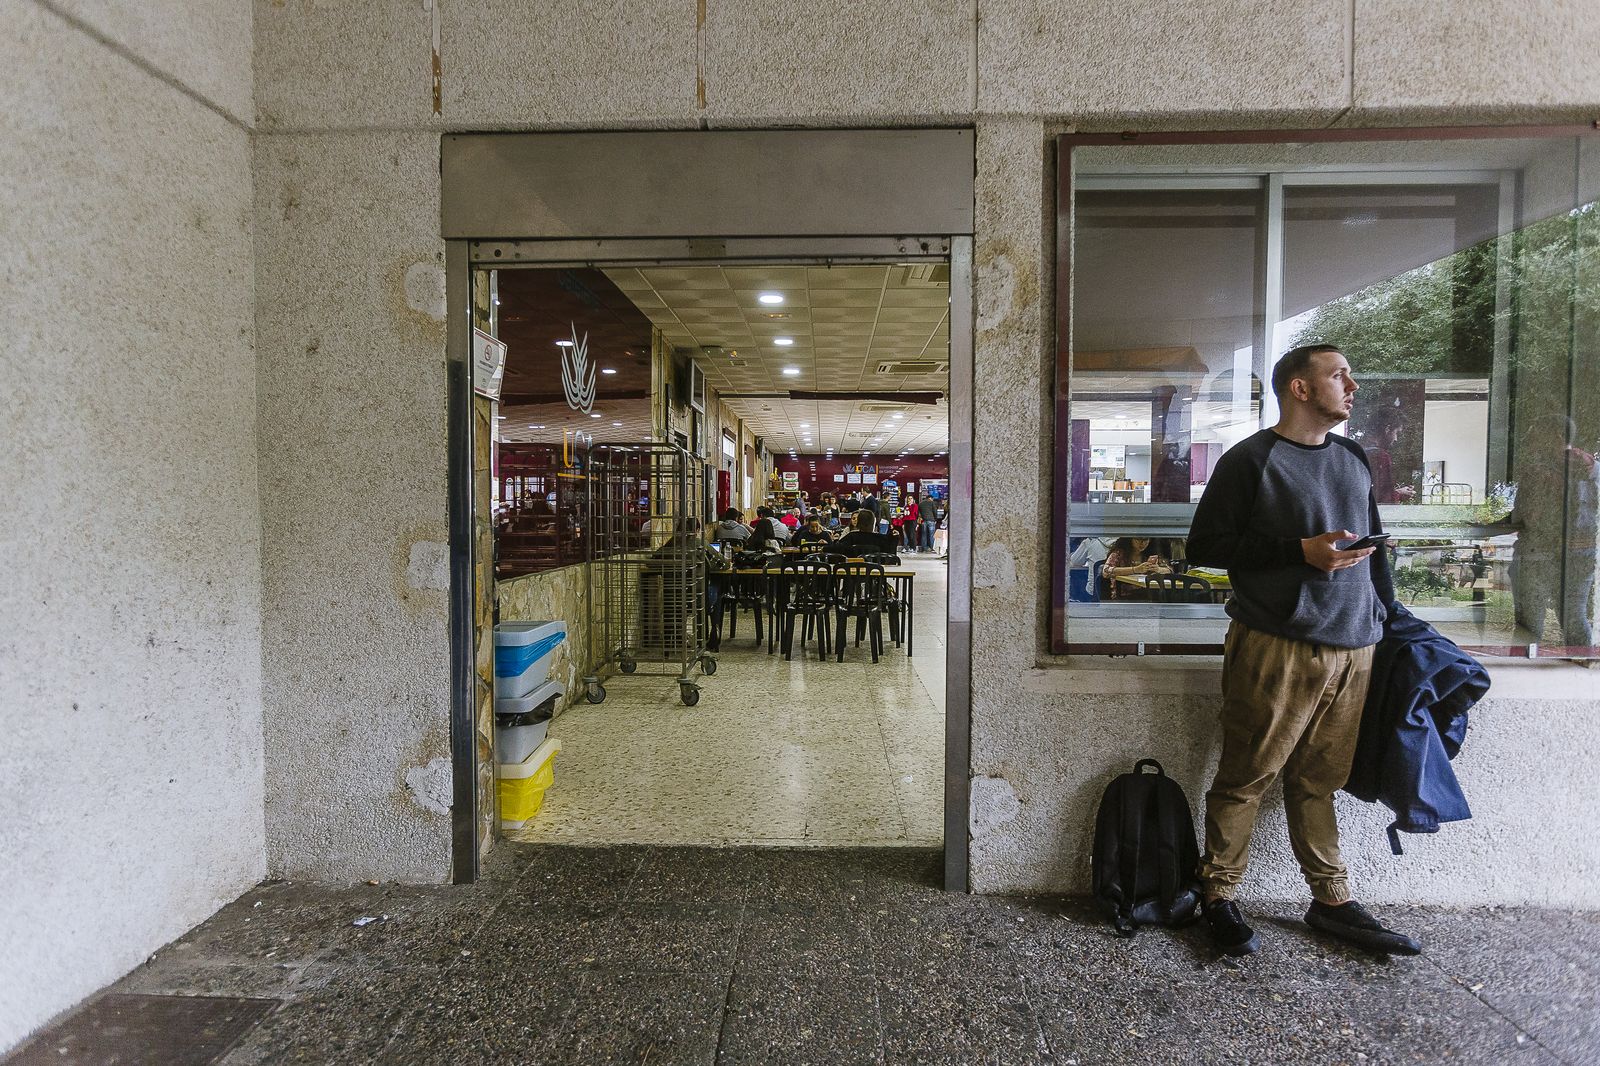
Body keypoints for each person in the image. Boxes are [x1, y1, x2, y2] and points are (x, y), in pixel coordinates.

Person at [1187, 343, 1418, 957]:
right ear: (1300, 389)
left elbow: (1375, 550)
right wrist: (1300, 551)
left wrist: (1389, 618)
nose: (1352, 384)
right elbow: (1204, 546)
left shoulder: (1352, 456)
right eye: (1339, 375)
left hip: (1355, 643)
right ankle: (1218, 894)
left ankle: (1331, 899)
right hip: (1277, 643)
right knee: (1247, 776)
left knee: (1320, 779)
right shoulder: (1250, 460)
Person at [1099, 536, 1171, 599]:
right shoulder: (1119, 553)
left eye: (1146, 540)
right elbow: (1106, 571)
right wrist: (1135, 569)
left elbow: (1170, 570)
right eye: (1138, 539)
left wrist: (1158, 569)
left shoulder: (1151, 554)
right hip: (1123, 595)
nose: (1142, 543)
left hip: (1148, 593)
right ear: (1130, 539)